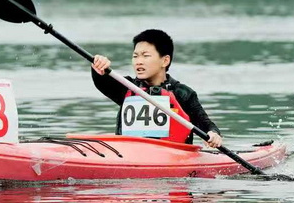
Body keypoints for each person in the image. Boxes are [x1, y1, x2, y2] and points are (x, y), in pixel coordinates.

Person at [91, 29, 223, 148]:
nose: (138, 61)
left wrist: (213, 134)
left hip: (173, 158)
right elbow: (102, 82)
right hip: (128, 154)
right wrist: (98, 66)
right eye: (135, 56)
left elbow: (204, 124)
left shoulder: (182, 93)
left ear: (165, 61)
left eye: (145, 55)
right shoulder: (126, 87)